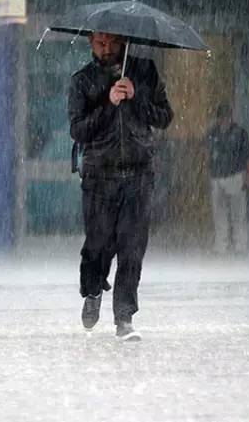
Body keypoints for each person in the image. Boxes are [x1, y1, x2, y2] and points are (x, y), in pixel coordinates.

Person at [68, 32, 173, 341]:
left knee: (132, 248)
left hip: (138, 175)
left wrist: (136, 97)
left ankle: (124, 316)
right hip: (99, 177)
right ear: (91, 43)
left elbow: (164, 117)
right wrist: (109, 103)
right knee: (98, 245)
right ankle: (93, 290)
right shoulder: (82, 81)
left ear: (124, 41)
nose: (106, 49)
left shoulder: (145, 71)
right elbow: (78, 130)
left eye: (112, 43)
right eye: (100, 43)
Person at [206, 102, 249, 255]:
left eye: (227, 116)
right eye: (222, 116)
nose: (224, 119)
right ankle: (221, 246)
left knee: (238, 213)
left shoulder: (240, 133)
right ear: (218, 117)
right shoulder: (212, 133)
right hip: (217, 178)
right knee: (219, 214)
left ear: (231, 117)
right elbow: (207, 154)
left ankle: (240, 246)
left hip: (235, 176)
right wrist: (208, 172)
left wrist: (248, 176)